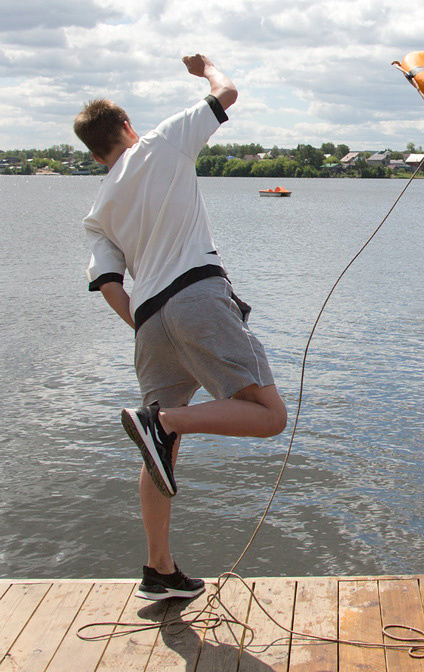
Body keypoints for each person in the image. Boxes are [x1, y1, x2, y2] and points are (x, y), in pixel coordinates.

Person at [76, 55, 287, 601]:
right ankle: (167, 421)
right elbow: (228, 92)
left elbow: (108, 284)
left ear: (94, 152)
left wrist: (146, 327)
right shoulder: (160, 143)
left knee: (156, 454)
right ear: (126, 127)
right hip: (196, 294)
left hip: (147, 321)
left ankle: (159, 569)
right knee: (269, 417)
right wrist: (206, 66)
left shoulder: (98, 208)